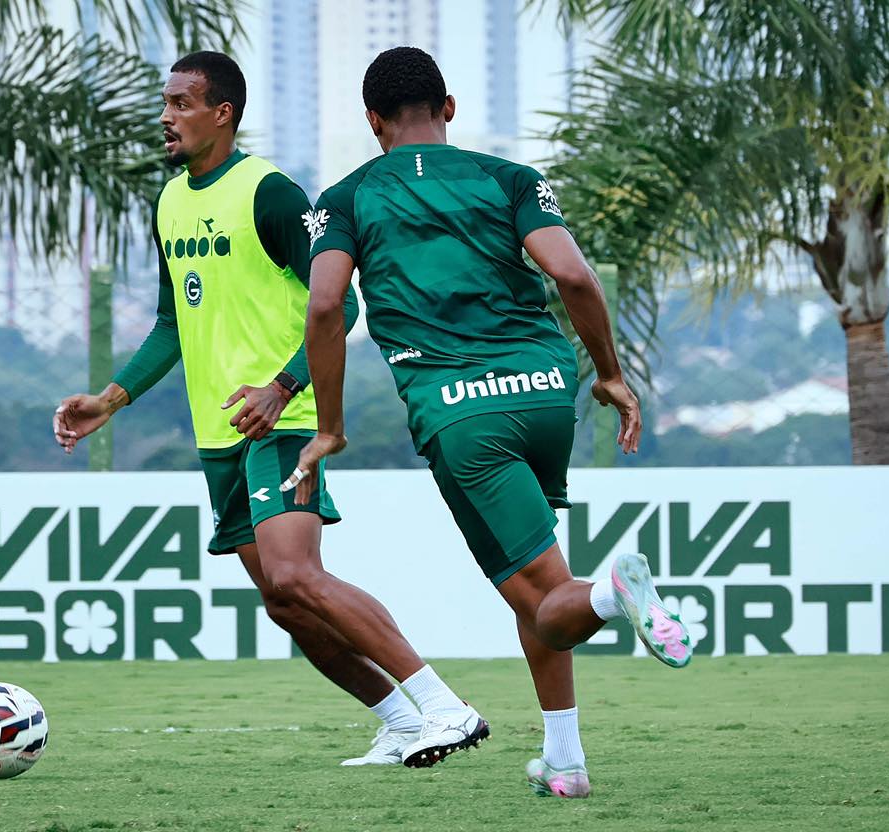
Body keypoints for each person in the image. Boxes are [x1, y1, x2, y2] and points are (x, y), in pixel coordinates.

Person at [53, 50, 483, 768]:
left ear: (221, 114)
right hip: (218, 435)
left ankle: (444, 707)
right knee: (285, 603)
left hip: (279, 422)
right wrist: (110, 399)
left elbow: (340, 300)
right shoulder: (169, 201)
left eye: (182, 103)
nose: (166, 116)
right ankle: (399, 723)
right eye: (166, 103)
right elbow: (171, 325)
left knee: (294, 576)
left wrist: (283, 386)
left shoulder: (271, 194)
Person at [284, 46, 693, 797]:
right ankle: (564, 759)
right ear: (449, 107)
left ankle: (615, 593)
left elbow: (324, 306)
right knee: (535, 588)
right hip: (545, 395)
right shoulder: (512, 179)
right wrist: (607, 372)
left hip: (464, 415)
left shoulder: (342, 200)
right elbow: (571, 274)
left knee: (554, 599)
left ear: (373, 122)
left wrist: (331, 426)